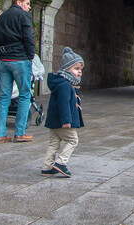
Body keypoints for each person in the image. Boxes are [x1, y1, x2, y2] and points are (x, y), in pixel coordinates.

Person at [0, 0, 36, 144]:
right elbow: (29, 37)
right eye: (27, 4)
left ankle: (0, 134)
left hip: (3, 61)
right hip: (20, 60)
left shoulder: (1, 17)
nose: (29, 8)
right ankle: (20, 132)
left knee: (4, 97)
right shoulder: (23, 16)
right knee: (24, 95)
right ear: (20, 2)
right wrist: (30, 55)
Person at [41, 47, 85, 178]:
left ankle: (47, 167)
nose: (79, 72)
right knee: (73, 140)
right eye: (76, 69)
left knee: (54, 143)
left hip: (53, 122)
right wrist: (66, 120)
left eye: (81, 70)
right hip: (62, 122)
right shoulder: (66, 85)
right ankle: (61, 162)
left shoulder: (60, 83)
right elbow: (64, 104)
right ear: (67, 69)